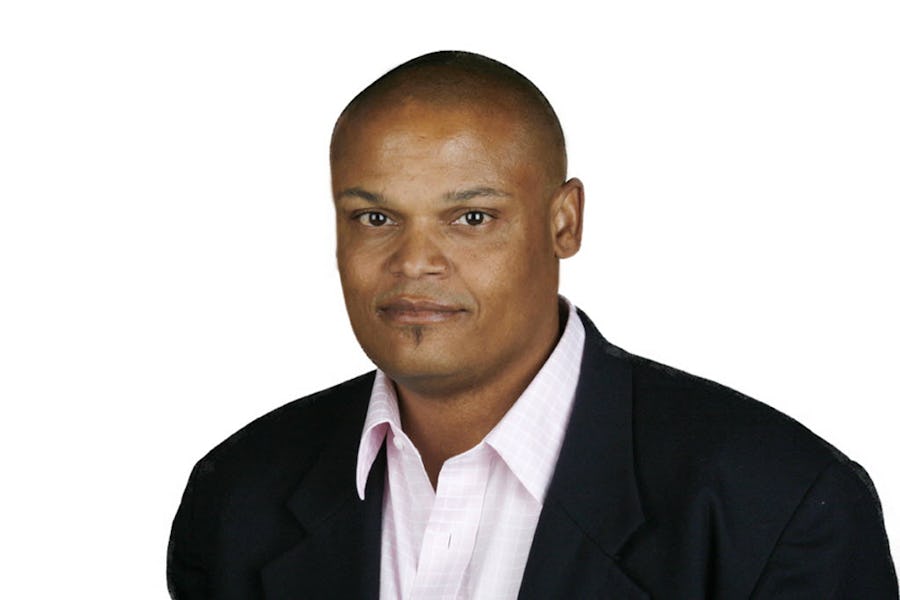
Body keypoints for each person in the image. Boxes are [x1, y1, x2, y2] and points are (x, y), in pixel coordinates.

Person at [167, 50, 897, 599]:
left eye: (471, 217)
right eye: (375, 218)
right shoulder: (235, 497)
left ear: (564, 222)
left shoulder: (780, 504)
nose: (414, 262)